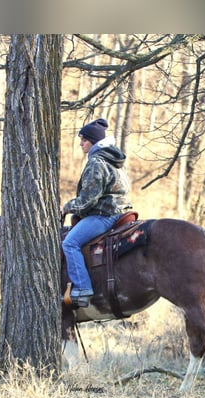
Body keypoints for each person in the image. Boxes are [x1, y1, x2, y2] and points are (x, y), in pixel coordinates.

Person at [62, 118, 132, 307]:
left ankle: (83, 288)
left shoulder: (96, 162)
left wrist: (66, 207)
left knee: (69, 243)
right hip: (120, 210)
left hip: (104, 215)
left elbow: (87, 201)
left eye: (84, 139)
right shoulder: (114, 160)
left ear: (93, 141)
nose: (81, 143)